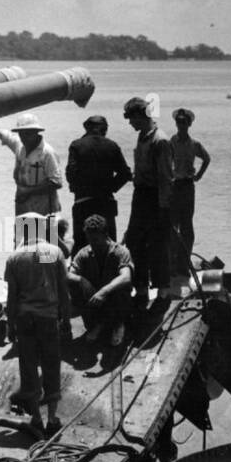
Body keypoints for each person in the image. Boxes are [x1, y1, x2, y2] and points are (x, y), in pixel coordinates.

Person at [5, 213, 71, 437]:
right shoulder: (51, 252)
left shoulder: (15, 257)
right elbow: (62, 289)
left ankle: (36, 417)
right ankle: (52, 417)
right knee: (52, 365)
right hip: (48, 319)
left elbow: (12, 297)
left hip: (24, 319)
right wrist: (67, 320)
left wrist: (10, 325)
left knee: (29, 366)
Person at [0, 93, 63, 218]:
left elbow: (56, 182)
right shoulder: (18, 145)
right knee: (23, 237)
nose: (24, 137)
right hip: (23, 206)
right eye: (21, 133)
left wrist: (28, 191)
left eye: (27, 134)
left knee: (46, 237)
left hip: (45, 209)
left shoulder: (47, 152)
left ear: (36, 132)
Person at [121, 96, 174, 305]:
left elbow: (165, 178)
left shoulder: (160, 140)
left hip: (155, 197)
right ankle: (141, 289)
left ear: (140, 116)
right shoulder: (142, 136)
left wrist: (164, 208)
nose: (130, 123)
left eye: (131, 118)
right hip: (141, 195)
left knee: (158, 245)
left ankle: (163, 291)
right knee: (135, 243)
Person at [65, 115, 132, 252]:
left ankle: (80, 272)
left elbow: (70, 174)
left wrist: (79, 188)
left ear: (86, 128)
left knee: (81, 245)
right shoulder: (112, 145)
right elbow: (125, 173)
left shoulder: (76, 145)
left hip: (82, 202)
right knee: (109, 245)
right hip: (106, 202)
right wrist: (111, 187)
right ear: (104, 129)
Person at [67, 215, 134, 347]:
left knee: (121, 286)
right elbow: (67, 275)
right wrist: (81, 280)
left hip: (114, 299)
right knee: (74, 286)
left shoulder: (121, 252)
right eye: (89, 239)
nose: (92, 243)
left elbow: (126, 277)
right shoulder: (84, 253)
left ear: (106, 235)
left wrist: (104, 291)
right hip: (96, 299)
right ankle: (98, 324)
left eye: (96, 239)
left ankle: (118, 324)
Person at [168, 108, 211, 277]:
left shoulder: (194, 144)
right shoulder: (172, 141)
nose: (181, 125)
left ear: (189, 124)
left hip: (187, 186)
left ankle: (184, 263)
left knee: (187, 225)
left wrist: (199, 175)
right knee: (173, 226)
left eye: (184, 122)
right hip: (174, 185)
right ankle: (173, 263)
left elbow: (207, 158)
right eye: (179, 122)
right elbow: (165, 160)